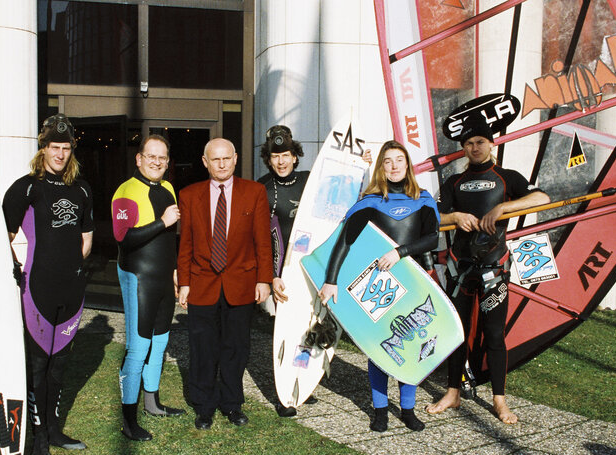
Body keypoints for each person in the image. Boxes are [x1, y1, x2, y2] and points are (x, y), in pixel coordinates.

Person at [426, 115, 549, 424]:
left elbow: (543, 198)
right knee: (457, 333)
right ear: (463, 149)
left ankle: (499, 401)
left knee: (494, 334)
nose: (474, 147)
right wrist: (456, 216)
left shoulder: (507, 177)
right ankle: (453, 393)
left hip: (495, 269)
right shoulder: (453, 183)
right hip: (460, 271)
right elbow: (433, 220)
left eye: (479, 141)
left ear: (491, 143)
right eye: (468, 144)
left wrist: (504, 208)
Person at [318, 141, 439, 432]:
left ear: (408, 165)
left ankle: (407, 409)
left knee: (411, 344)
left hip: (411, 282)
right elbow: (344, 242)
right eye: (388, 161)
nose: (395, 166)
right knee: (378, 347)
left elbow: (432, 239)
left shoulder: (422, 199)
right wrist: (331, 280)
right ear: (381, 167)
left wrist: (399, 252)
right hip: (378, 285)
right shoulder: (370, 202)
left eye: (400, 160)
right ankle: (381, 409)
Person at [2, 114, 94, 455]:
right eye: (54, 147)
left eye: (66, 148)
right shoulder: (26, 187)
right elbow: (3, 238)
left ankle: (53, 429)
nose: (60, 154)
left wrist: (71, 267)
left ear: (72, 150)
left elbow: (86, 239)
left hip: (71, 290)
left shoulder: (82, 188)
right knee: (38, 364)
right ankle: (36, 435)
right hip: (37, 288)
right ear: (42, 148)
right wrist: (16, 270)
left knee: (60, 364)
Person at [177, 138, 273, 430]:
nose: (221, 165)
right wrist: (184, 282)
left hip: (241, 283)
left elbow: (262, 241)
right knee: (202, 348)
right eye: (215, 160)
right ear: (205, 162)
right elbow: (185, 243)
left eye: (226, 159)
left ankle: (232, 403)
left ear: (235, 159)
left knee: (235, 348)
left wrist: (264, 280)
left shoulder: (254, 192)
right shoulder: (189, 194)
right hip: (202, 283)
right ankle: (203, 405)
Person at [111, 134, 186, 442]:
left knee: (160, 340)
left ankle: (152, 402)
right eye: (151, 156)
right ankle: (128, 420)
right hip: (138, 276)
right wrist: (163, 222)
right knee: (138, 346)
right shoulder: (126, 190)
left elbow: (171, 239)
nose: (157, 162)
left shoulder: (167, 188)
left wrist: (175, 269)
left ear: (167, 162)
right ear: (139, 158)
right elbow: (123, 237)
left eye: (162, 157)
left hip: (162, 277)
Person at [256, 125, 318, 417]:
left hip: (311, 269)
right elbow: (260, 239)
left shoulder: (310, 180)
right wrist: (271, 274)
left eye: (286, 155)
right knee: (286, 332)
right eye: (275, 156)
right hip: (282, 273)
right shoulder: (263, 189)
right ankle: (285, 392)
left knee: (309, 329)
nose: (281, 161)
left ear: (295, 156)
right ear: (268, 159)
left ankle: (302, 383)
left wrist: (362, 164)